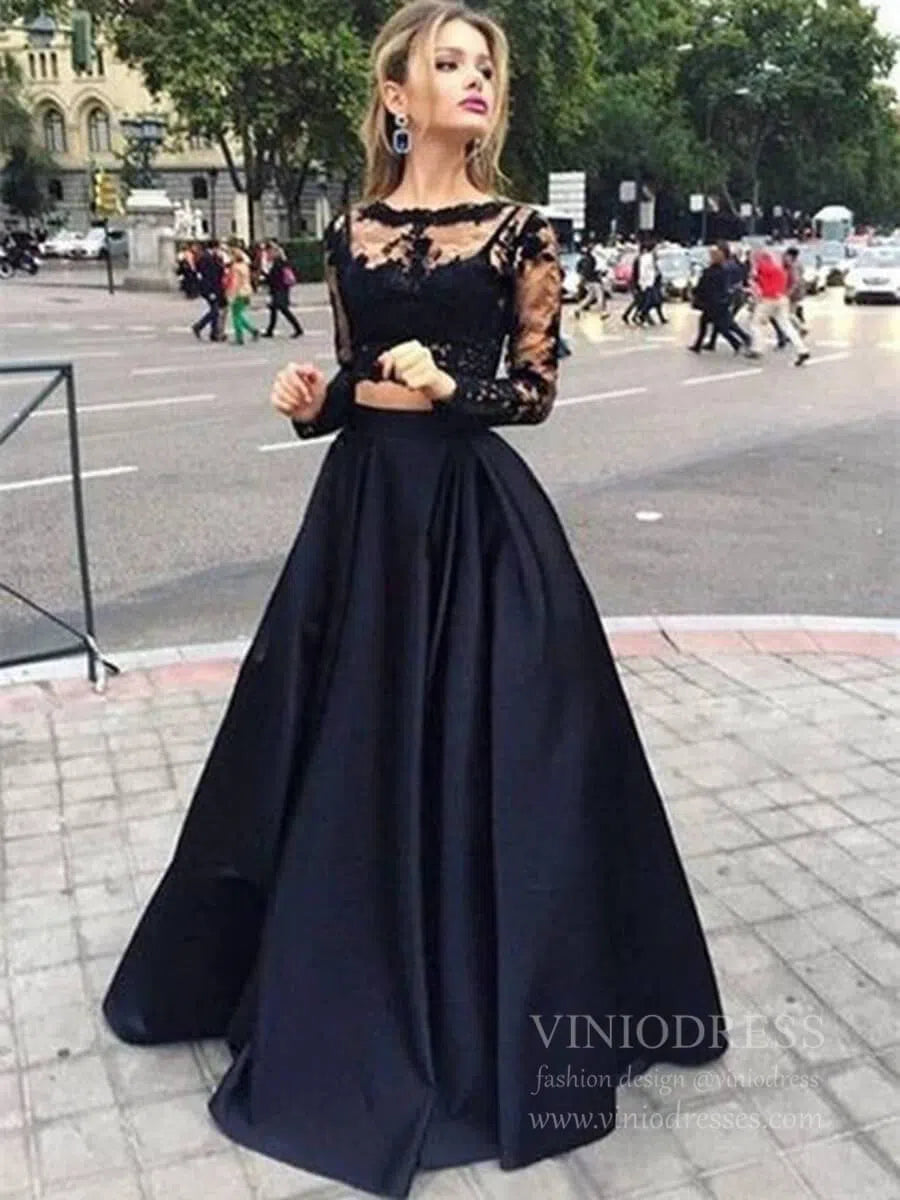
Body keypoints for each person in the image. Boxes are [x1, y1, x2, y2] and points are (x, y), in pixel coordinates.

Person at [102, 4, 728, 1197]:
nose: (476, 78)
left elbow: (533, 392)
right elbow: (353, 376)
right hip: (361, 519)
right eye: (449, 62)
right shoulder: (355, 229)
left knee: (495, 751)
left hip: (470, 523)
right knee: (335, 743)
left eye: (485, 64)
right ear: (398, 95)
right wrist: (313, 403)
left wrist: (451, 383)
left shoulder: (520, 231)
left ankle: (484, 990)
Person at [746, 248, 809, 365]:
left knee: (755, 323)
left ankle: (757, 348)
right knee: (786, 325)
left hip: (768, 298)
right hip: (781, 297)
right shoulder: (779, 269)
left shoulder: (761, 267)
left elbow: (754, 281)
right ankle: (802, 349)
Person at [688, 244, 744, 354]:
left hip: (712, 303)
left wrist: (695, 293)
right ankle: (701, 345)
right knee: (718, 324)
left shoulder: (710, 271)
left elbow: (704, 286)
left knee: (721, 326)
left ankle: (738, 342)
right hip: (721, 301)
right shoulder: (724, 270)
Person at [261, 241, 303, 338]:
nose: (267, 255)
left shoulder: (278, 263)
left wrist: (266, 276)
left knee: (283, 309)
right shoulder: (280, 261)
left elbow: (275, 277)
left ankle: (298, 329)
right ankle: (270, 330)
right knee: (274, 309)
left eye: (268, 252)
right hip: (280, 288)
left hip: (280, 289)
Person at [191, 240, 226, 341]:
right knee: (215, 310)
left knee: (215, 310)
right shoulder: (205, 258)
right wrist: (210, 291)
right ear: (214, 247)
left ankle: (214, 333)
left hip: (215, 288)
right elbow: (206, 276)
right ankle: (199, 326)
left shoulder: (213, 257)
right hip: (209, 288)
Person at [225, 245, 260, 344]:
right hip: (247, 291)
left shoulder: (235, 268)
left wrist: (231, 295)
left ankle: (239, 337)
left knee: (236, 316)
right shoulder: (244, 266)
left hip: (239, 292)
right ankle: (253, 330)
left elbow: (235, 283)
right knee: (239, 314)